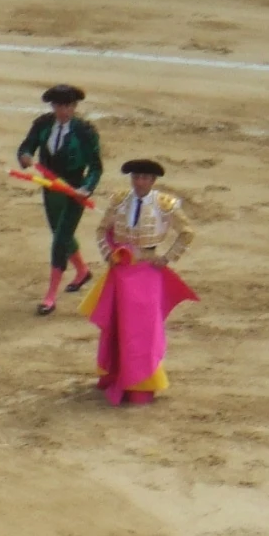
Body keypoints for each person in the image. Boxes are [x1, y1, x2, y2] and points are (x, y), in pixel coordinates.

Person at [82, 156, 192, 397]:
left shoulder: (165, 204)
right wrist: (108, 253)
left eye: (144, 178)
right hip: (121, 271)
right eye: (136, 177)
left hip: (147, 271)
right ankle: (115, 375)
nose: (139, 182)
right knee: (119, 325)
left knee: (144, 330)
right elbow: (102, 230)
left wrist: (167, 258)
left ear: (153, 181)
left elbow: (186, 233)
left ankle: (142, 385)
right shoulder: (119, 201)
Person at [18, 85, 102, 316]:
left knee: (61, 237)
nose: (63, 111)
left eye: (68, 106)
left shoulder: (85, 132)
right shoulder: (43, 124)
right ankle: (83, 271)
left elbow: (96, 167)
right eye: (58, 106)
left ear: (74, 106)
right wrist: (24, 156)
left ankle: (51, 296)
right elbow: (27, 146)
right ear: (53, 106)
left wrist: (86, 188)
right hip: (50, 188)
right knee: (59, 233)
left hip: (74, 191)